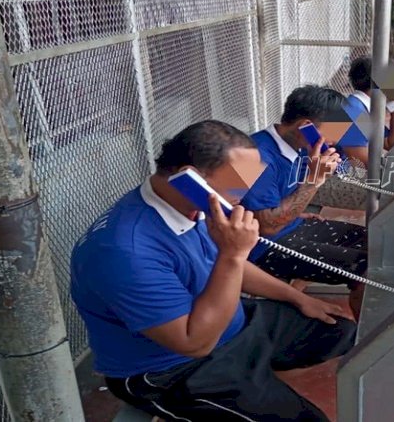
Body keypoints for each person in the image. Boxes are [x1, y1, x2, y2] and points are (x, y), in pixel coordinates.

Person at [70, 120, 356, 421]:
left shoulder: (193, 205)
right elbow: (195, 342)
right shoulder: (122, 252)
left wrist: (296, 297)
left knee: (341, 333)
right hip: (173, 367)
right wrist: (234, 253)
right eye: (235, 190)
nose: (241, 200)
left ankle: (260, 366)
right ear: (190, 180)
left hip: (230, 320)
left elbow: (232, 266)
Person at [240, 85, 369, 316]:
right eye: (330, 132)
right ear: (305, 126)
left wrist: (296, 212)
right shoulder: (255, 156)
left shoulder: (301, 147)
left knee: (371, 240)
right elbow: (268, 227)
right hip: (262, 246)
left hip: (290, 224)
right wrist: (314, 180)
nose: (332, 142)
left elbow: (266, 203)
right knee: (363, 269)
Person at [310, 56, 394, 211]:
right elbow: (368, 166)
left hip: (328, 171)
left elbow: (390, 144)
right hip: (314, 180)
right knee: (385, 192)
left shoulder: (359, 107)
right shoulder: (354, 113)